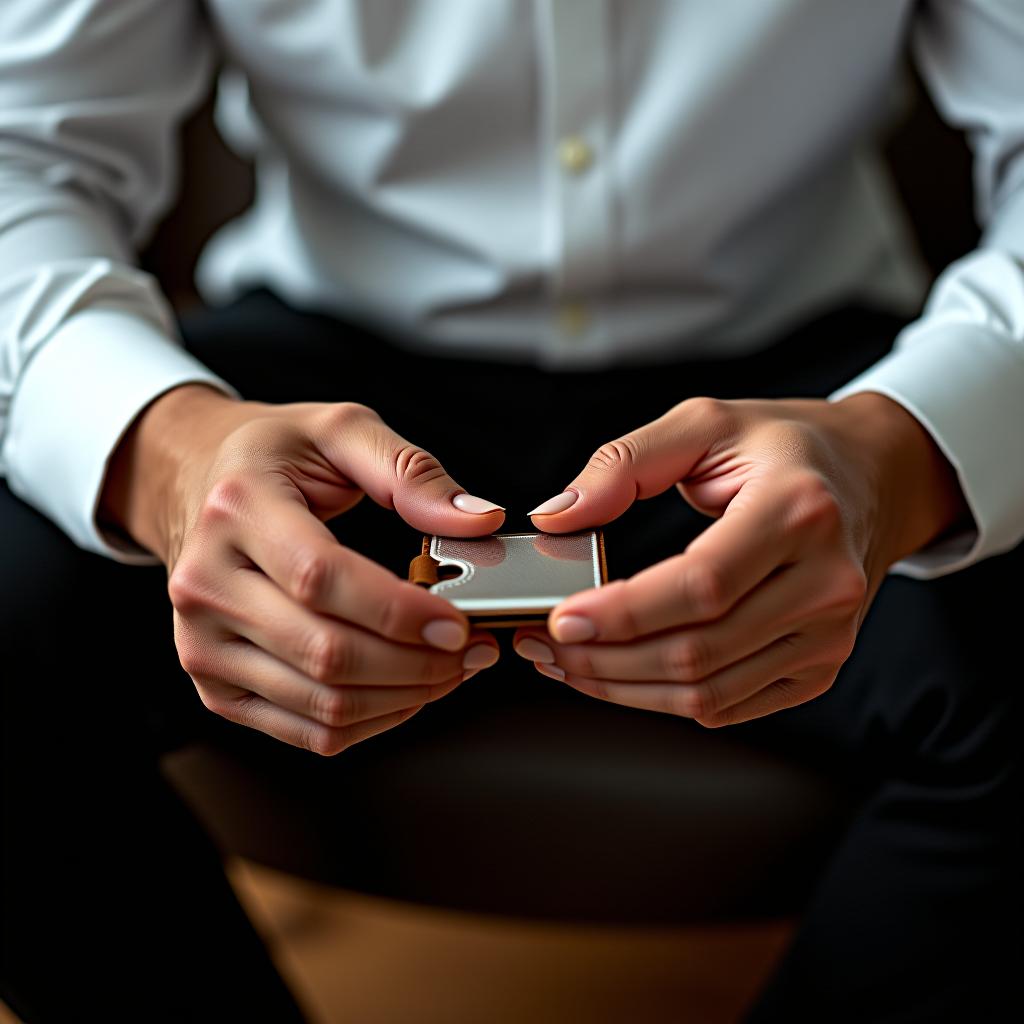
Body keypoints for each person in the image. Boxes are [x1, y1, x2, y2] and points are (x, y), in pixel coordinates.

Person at [1, 2, 1021, 1021]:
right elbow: (21, 154)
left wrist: (898, 459)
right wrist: (170, 459)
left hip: (804, 383)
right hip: (320, 378)